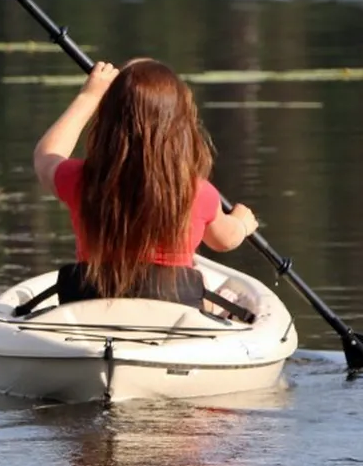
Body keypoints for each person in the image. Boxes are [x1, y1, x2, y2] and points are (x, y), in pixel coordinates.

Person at [32, 57, 258, 307]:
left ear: (108, 120)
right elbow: (225, 240)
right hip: (175, 311)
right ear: (179, 125)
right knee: (221, 298)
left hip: (91, 304)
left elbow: (45, 157)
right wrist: (242, 222)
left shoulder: (82, 179)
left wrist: (90, 96)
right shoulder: (196, 191)